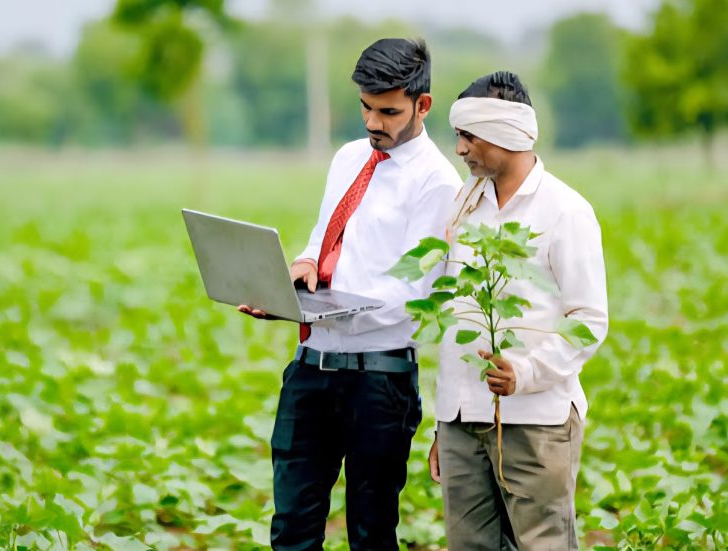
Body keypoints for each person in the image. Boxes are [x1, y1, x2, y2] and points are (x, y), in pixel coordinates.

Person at [239, 38, 461, 550]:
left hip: (378, 383)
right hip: (310, 369)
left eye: (387, 111)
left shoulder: (436, 182)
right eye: (365, 107)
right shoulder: (348, 158)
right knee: (291, 528)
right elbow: (324, 237)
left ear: (422, 105)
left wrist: (333, 308)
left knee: (371, 533)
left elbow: (415, 290)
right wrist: (300, 271)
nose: (371, 122)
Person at [428, 71, 609, 550]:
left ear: (506, 134)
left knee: (542, 544)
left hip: (537, 419)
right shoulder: (464, 205)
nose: (460, 149)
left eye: (468, 136)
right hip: (462, 420)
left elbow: (588, 319)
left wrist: (525, 372)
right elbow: (457, 313)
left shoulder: (565, 211)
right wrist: (443, 425)